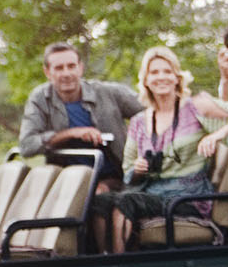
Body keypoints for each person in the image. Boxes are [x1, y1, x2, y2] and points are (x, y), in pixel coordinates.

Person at [98, 46, 228, 253]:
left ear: (177, 77)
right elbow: (129, 171)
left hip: (186, 198)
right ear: (146, 80)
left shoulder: (195, 107)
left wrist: (216, 135)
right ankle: (104, 261)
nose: (161, 77)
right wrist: (138, 169)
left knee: (126, 201)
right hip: (151, 192)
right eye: (154, 72)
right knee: (100, 202)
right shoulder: (139, 121)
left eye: (167, 71)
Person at [17, 43, 144, 188]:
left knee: (95, 196)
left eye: (71, 66)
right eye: (59, 68)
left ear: (80, 68)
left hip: (114, 177)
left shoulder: (108, 93)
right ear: (47, 72)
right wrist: (72, 133)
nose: (66, 73)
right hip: (65, 181)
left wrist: (138, 142)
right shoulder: (40, 98)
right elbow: (27, 146)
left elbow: (154, 111)